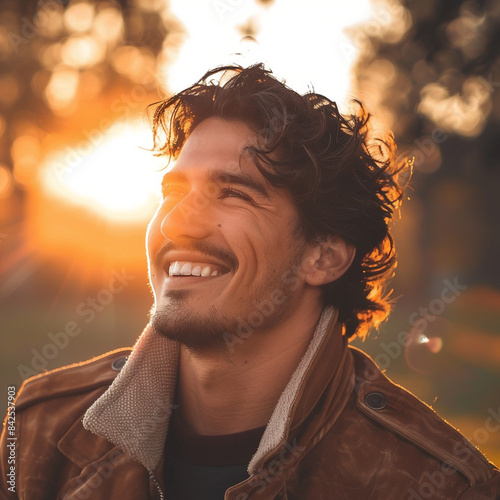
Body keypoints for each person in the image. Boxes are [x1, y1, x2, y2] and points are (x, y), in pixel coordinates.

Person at [1, 64, 499, 500]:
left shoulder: (439, 485)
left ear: (324, 256)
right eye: (174, 191)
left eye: (233, 194)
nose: (177, 224)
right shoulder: (32, 428)